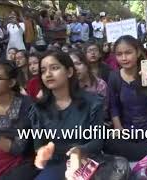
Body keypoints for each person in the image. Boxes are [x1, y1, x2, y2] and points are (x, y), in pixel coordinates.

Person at [30, 51, 105, 179]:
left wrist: (79, 151)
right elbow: (38, 145)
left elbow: (98, 141)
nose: (48, 74)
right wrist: (43, 152)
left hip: (87, 160)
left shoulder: (92, 103)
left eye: (54, 68)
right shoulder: (39, 108)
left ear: (69, 72)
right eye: (43, 71)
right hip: (56, 163)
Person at [104, 35, 147, 161]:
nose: (124, 58)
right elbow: (114, 106)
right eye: (119, 54)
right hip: (128, 129)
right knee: (109, 144)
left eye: (128, 53)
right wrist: (118, 128)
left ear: (138, 52)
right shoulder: (114, 77)